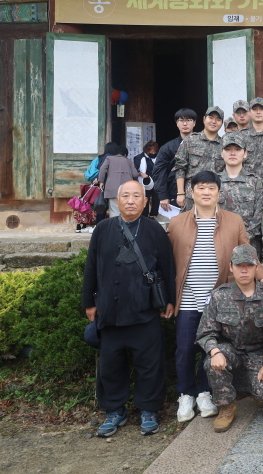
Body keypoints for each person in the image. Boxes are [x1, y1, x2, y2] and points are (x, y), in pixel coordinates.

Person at [167, 171, 263, 423]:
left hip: (219, 301)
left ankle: (205, 392)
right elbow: (167, 263)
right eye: (201, 188)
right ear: (191, 192)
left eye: (211, 188)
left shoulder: (233, 221)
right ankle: (185, 393)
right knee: (184, 348)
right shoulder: (176, 223)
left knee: (211, 350)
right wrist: (169, 298)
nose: (206, 192)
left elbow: (248, 252)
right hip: (188, 298)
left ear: (219, 193)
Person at [82, 180, 175, 437]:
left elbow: (167, 266)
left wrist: (169, 300)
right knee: (111, 366)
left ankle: (148, 409)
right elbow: (91, 267)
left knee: (150, 365)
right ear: (117, 200)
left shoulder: (154, 229)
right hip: (110, 312)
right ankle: (114, 410)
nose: (131, 200)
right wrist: (89, 302)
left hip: (144, 311)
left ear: (146, 202)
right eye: (126, 196)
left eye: (137, 196)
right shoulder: (103, 229)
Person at [195, 244, 263, 433]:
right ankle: (226, 406)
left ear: (257, 267)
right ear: (231, 267)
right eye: (239, 265)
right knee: (211, 362)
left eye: (249, 265)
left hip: (259, 353)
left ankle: (249, 385)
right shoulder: (219, 296)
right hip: (231, 349)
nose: (244, 270)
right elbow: (205, 333)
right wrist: (215, 352)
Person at [217, 132, 263, 262]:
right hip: (218, 243)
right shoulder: (213, 182)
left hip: (249, 244)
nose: (232, 153)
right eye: (228, 149)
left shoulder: (256, 182)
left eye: (237, 149)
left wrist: (244, 237)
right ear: (221, 153)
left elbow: (260, 214)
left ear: (245, 154)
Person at [174, 106, 226, 210]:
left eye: (218, 119)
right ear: (204, 119)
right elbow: (180, 167)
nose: (214, 121)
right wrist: (180, 193)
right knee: (189, 224)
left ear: (222, 123)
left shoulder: (224, 145)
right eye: (211, 117)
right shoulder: (190, 140)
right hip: (191, 195)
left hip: (215, 196)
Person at [154, 108, 196, 213]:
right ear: (176, 123)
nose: (185, 123)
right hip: (175, 194)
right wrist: (163, 195)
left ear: (194, 123)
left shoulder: (202, 144)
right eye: (181, 120)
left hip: (199, 192)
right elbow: (159, 172)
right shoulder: (167, 148)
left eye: (189, 120)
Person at [98, 144, 145, 218]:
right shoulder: (129, 161)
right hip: (127, 190)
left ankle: (116, 228)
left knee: (114, 211)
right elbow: (135, 174)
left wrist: (101, 181)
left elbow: (102, 169)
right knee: (126, 210)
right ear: (125, 154)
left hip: (112, 188)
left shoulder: (109, 158)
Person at [133, 141, 159, 217]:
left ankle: (154, 214)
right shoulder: (138, 158)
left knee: (156, 197)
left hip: (155, 180)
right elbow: (135, 169)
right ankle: (144, 215)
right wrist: (141, 173)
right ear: (146, 151)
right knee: (145, 197)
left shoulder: (158, 157)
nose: (153, 153)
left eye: (154, 151)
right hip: (144, 180)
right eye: (151, 151)